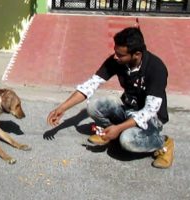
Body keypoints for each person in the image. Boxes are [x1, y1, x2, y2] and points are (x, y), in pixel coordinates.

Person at [47, 27, 174, 169]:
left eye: (120, 55)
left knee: (127, 140)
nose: (115, 57)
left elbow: (149, 111)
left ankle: (164, 143)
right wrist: (61, 108)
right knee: (94, 106)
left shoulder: (156, 68)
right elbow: (90, 85)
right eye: (115, 52)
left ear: (137, 54)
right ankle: (110, 133)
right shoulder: (117, 61)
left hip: (151, 118)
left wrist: (119, 128)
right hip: (128, 108)